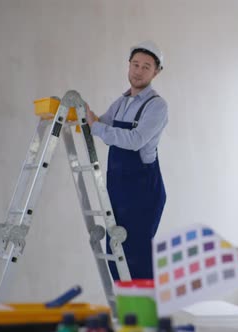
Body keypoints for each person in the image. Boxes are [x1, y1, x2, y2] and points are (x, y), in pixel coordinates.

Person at [86, 40, 168, 280]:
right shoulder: (121, 103)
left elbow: (135, 140)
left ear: (156, 72)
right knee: (117, 253)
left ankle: (144, 316)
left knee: (138, 260)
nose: (138, 71)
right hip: (119, 190)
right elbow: (101, 123)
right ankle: (126, 315)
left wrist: (96, 126)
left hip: (143, 193)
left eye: (146, 66)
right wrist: (83, 116)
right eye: (135, 64)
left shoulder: (157, 106)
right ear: (128, 66)